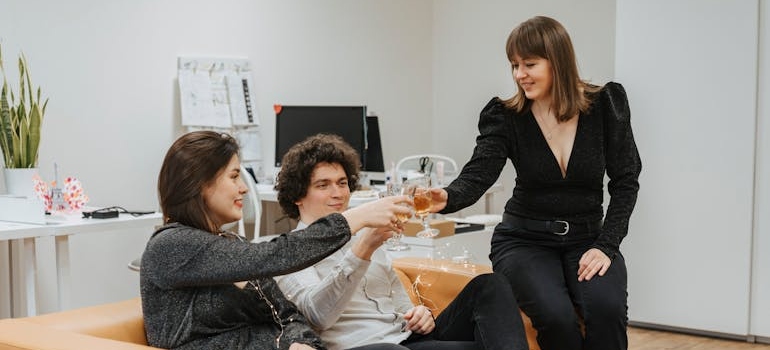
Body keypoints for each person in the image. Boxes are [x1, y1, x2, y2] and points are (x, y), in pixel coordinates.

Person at [429, 16, 642, 350]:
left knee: (606, 311)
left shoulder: (605, 105)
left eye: (529, 64)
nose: (519, 75)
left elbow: (626, 181)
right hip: (523, 241)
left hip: (588, 237)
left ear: (558, 60)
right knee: (557, 319)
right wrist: (445, 196)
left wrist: (606, 245)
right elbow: (478, 174)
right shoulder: (505, 115)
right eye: (514, 65)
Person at [140, 131, 411, 350]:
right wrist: (357, 219)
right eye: (234, 176)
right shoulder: (170, 245)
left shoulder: (231, 242)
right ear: (199, 183)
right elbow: (274, 256)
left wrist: (300, 343)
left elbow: (287, 314)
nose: (244, 188)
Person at [273, 133, 528, 350]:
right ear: (298, 195)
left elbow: (400, 303)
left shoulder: (365, 233)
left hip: (406, 338)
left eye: (342, 183)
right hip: (364, 345)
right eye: (323, 185)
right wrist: (363, 250)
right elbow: (317, 317)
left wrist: (421, 314)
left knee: (489, 285)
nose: (338, 193)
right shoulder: (291, 250)